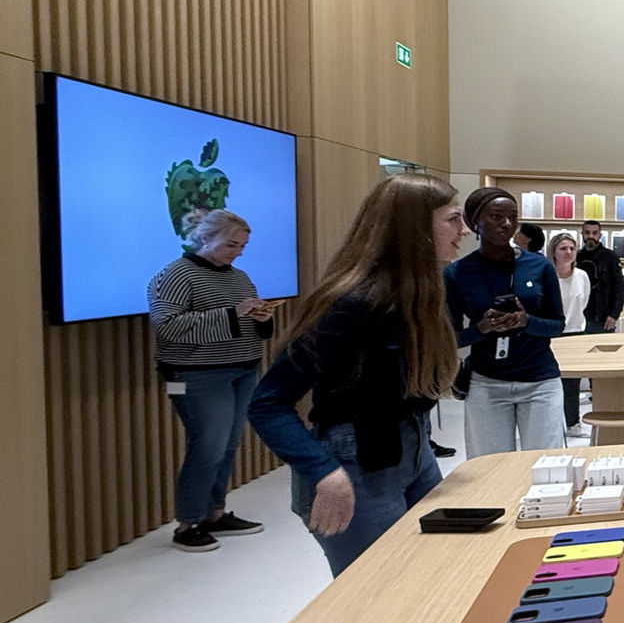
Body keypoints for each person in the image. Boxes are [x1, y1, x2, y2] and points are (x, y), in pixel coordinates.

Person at [248, 175, 465, 576]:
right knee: (375, 600)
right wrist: (324, 474)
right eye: (453, 219)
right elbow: (267, 404)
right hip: (355, 465)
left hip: (413, 451)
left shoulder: (422, 294)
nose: (464, 231)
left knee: (429, 580)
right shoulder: (350, 304)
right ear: (414, 227)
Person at [146, 209, 278, 552]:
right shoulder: (175, 275)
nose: (238, 251)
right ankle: (188, 521)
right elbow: (168, 326)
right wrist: (234, 314)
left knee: (228, 444)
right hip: (198, 374)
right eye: (231, 244)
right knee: (207, 446)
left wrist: (261, 317)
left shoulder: (239, 277)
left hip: (242, 368)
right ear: (205, 237)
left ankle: (214, 512)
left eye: (243, 246)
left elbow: (247, 323)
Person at [445, 187, 567, 455]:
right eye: (496, 216)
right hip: (486, 383)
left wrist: (526, 321)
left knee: (546, 466)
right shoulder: (457, 273)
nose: (507, 224)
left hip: (539, 380)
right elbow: (450, 338)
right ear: (475, 221)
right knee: (489, 468)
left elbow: (557, 324)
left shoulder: (540, 266)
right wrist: (482, 328)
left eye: (513, 216)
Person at [547, 231, 592, 436]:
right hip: (551, 334)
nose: (568, 252)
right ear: (554, 251)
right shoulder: (546, 274)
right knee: (551, 382)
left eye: (572, 248)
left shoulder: (581, 276)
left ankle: (573, 423)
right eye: (563, 248)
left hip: (575, 332)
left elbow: (584, 302)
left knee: (573, 382)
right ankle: (552, 425)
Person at [577, 219, 624, 332]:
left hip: (603, 318)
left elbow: (619, 289)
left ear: (600, 235)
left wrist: (614, 315)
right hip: (579, 317)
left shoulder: (610, 258)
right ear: (582, 234)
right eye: (587, 232)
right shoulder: (576, 257)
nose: (591, 236)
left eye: (594, 233)